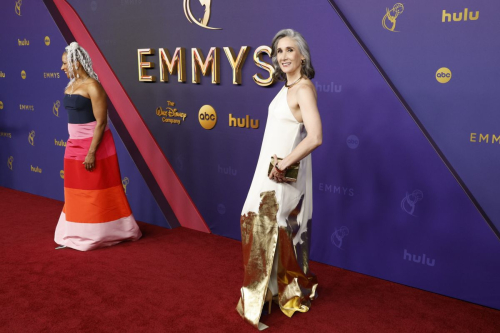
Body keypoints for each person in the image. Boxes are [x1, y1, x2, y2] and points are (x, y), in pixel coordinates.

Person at [236, 29, 322, 330]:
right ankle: (283, 290)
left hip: (282, 175)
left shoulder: (303, 89)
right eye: (279, 51)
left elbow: (315, 137)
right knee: (269, 228)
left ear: (302, 56)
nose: (283, 56)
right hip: (271, 171)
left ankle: (258, 299)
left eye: (289, 50)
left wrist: (284, 164)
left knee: (263, 227)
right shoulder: (286, 87)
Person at [54, 42, 142, 251]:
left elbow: (101, 122)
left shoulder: (93, 86)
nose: (62, 68)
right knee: (76, 191)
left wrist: (91, 152)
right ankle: (77, 231)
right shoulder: (71, 86)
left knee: (96, 190)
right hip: (73, 145)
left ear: (77, 63)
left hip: (93, 145)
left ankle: (106, 232)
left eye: (65, 64)